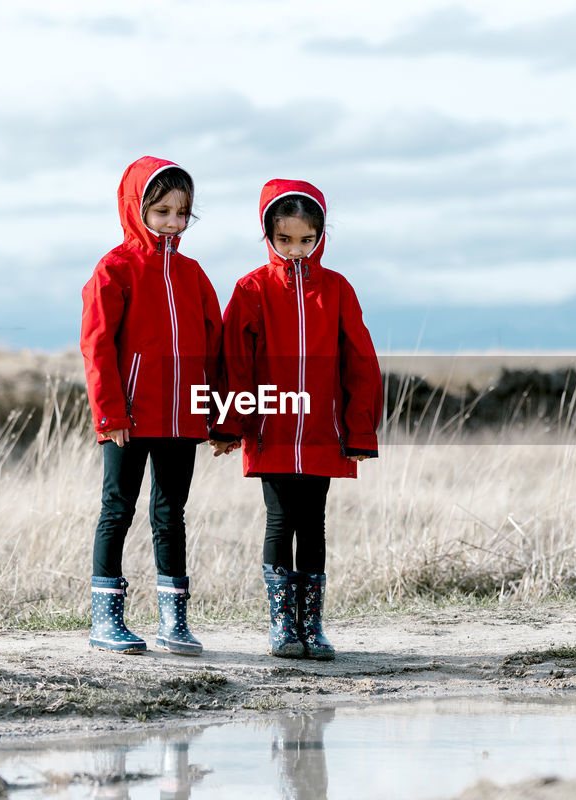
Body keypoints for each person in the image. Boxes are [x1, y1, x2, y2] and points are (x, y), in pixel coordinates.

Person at [210, 179, 382, 660]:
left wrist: (360, 429)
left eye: (307, 240)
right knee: (280, 521)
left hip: (324, 430)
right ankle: (282, 627)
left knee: (315, 524)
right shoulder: (252, 288)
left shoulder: (338, 289)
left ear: (320, 236)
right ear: (268, 235)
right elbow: (234, 362)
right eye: (284, 240)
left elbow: (360, 361)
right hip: (273, 427)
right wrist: (229, 425)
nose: (296, 250)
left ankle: (313, 626)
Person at [80, 156, 222, 656]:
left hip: (182, 419)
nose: (172, 222)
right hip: (128, 419)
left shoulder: (193, 274)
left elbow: (215, 347)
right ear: (136, 209)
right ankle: (106, 622)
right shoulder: (114, 269)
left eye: (182, 213)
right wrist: (110, 413)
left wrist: (218, 415)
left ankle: (174, 623)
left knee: (171, 514)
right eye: (161, 210)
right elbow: (97, 345)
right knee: (116, 510)